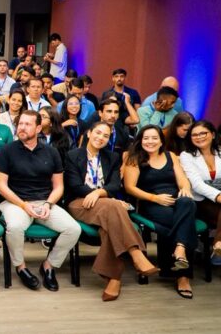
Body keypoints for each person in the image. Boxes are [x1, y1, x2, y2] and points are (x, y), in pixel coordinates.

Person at [64, 122, 158, 300]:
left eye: (106, 136)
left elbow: (114, 185)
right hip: (79, 202)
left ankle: (114, 279)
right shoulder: (72, 155)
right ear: (89, 133)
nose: (101, 138)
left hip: (105, 203)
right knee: (115, 206)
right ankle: (136, 254)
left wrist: (99, 193)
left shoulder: (112, 157)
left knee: (108, 225)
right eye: (98, 133)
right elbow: (74, 185)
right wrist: (98, 195)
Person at [0, 110, 81, 292]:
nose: (22, 128)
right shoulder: (7, 151)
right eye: (20, 124)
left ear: (39, 128)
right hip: (15, 202)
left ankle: (48, 266)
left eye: (27, 124)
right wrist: (23, 205)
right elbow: (1, 186)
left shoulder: (51, 152)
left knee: (73, 229)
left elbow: (58, 186)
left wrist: (49, 204)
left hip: (44, 202)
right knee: (15, 227)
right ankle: (21, 267)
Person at [123, 125, 197, 299]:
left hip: (176, 201)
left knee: (187, 202)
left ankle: (179, 249)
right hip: (151, 203)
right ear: (140, 140)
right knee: (183, 223)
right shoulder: (134, 158)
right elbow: (130, 188)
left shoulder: (171, 156)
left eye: (154, 138)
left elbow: (183, 181)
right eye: (146, 138)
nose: (150, 141)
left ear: (161, 140)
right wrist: (155, 198)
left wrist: (185, 188)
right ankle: (183, 276)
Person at [179, 121, 221, 263]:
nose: (199, 137)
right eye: (194, 135)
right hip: (201, 202)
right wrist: (218, 196)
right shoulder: (187, 155)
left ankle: (217, 245)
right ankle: (218, 245)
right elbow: (196, 185)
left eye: (203, 133)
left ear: (213, 134)